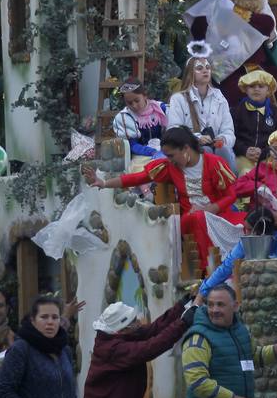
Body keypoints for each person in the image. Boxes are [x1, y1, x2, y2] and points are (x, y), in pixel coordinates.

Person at [84, 126, 244, 274]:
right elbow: (138, 178)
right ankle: (208, 272)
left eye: (171, 155)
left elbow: (231, 196)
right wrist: (104, 183)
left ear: (186, 149)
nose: (169, 159)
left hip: (218, 218)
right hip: (190, 220)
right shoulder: (169, 167)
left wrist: (210, 209)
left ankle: (224, 268)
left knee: (248, 224)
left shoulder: (213, 163)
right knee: (197, 217)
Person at [183, 0, 277, 104]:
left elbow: (268, 25)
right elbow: (199, 32)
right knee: (233, 92)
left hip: (254, 67)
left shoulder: (260, 6)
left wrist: (238, 12)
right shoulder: (214, 5)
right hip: (224, 69)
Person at [166, 55, 237, 168]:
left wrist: (223, 139)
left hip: (218, 148)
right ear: (190, 73)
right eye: (199, 68)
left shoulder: (219, 97)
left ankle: (230, 184)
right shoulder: (178, 98)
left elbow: (228, 130)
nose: (205, 70)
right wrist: (196, 138)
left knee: (223, 150)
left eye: (208, 67)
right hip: (190, 148)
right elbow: (174, 130)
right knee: (206, 151)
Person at [202, 208, 277, 297]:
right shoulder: (245, 243)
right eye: (245, 229)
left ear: (262, 230)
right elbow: (227, 266)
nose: (246, 233)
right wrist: (203, 291)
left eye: (250, 229)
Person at [219, 129, 277, 215]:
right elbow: (236, 187)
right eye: (274, 149)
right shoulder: (262, 168)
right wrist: (258, 186)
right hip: (258, 216)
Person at [230, 69, 277, 173]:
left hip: (269, 158)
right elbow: (231, 135)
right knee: (246, 173)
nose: (256, 89)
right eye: (252, 86)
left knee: (270, 176)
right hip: (242, 156)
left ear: (268, 90)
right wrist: (245, 150)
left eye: (261, 86)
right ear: (246, 89)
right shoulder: (236, 111)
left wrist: (264, 152)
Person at [111, 78, 167, 158]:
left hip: (165, 152)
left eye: (137, 101)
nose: (134, 105)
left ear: (145, 96)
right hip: (140, 157)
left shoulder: (161, 109)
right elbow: (132, 145)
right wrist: (152, 152)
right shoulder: (124, 117)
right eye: (129, 103)